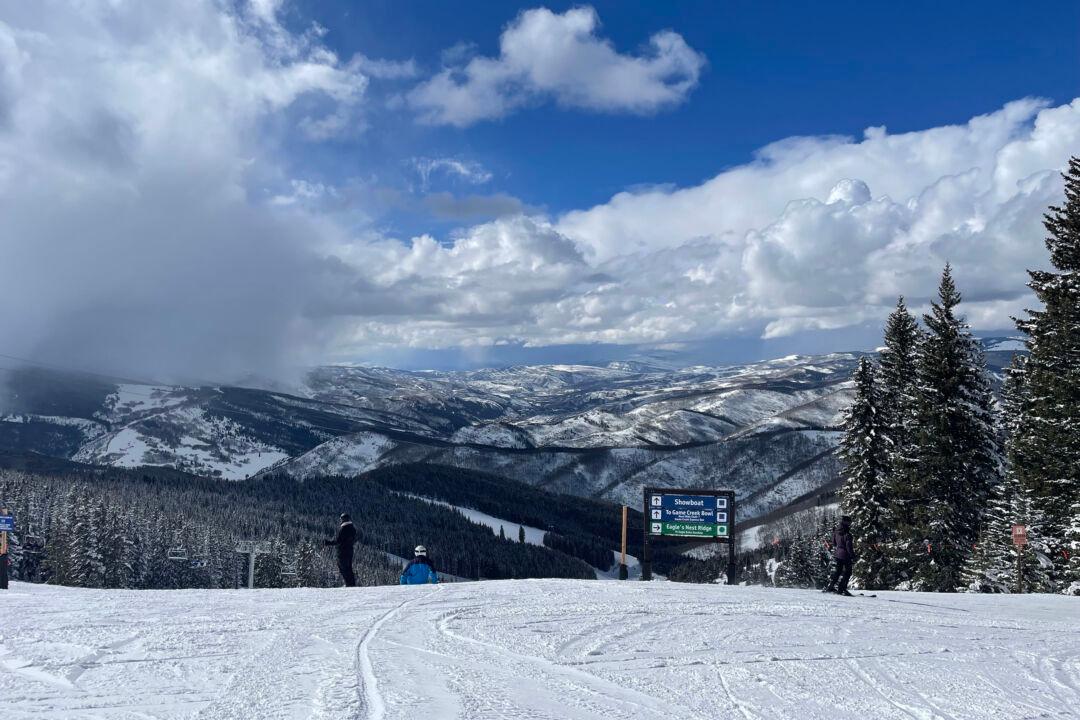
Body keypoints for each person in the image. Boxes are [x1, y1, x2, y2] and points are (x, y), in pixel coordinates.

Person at [823, 515, 855, 596]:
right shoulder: (847, 533)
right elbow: (849, 546)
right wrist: (852, 555)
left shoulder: (836, 531)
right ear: (846, 522)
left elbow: (834, 543)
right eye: (849, 522)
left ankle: (830, 587)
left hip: (838, 554)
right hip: (846, 555)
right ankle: (842, 588)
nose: (850, 523)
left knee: (838, 571)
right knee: (848, 572)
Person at [324, 513, 357, 587]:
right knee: (349, 568)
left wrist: (328, 543)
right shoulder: (352, 528)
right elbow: (355, 539)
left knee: (343, 568)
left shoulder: (343, 529)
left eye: (341, 519)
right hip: (350, 550)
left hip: (342, 551)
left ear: (343, 519)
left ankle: (349, 585)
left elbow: (338, 541)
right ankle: (352, 585)